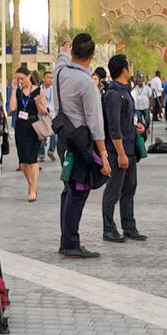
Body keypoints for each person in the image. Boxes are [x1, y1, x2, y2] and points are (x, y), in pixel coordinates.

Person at [54, 33, 112, 258]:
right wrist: (104, 157)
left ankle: (66, 241)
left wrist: (64, 46)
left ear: (73, 52)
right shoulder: (86, 83)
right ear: (92, 55)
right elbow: (95, 124)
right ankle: (71, 243)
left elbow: (61, 56)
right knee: (78, 191)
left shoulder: (60, 71)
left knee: (68, 189)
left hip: (63, 138)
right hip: (80, 142)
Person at [101, 54, 147, 243]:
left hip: (129, 148)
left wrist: (137, 127)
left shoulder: (125, 91)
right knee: (113, 190)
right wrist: (120, 153)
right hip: (117, 151)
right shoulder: (113, 94)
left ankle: (129, 226)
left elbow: (125, 120)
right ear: (123, 70)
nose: (130, 70)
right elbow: (113, 127)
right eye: (128, 66)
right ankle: (109, 229)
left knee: (129, 188)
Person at [9, 66, 48, 202]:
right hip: (21, 126)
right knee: (23, 162)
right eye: (18, 79)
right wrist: (13, 90)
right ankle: (31, 184)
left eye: (22, 78)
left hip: (33, 126)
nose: (20, 81)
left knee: (32, 159)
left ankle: (33, 188)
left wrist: (38, 103)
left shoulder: (38, 91)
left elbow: (43, 112)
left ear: (29, 76)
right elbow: (12, 108)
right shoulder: (17, 91)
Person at [38, 70, 58, 162]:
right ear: (43, 78)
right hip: (41, 115)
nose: (50, 80)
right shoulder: (38, 90)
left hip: (53, 115)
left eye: (51, 78)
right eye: (48, 77)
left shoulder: (55, 90)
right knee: (41, 136)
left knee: (54, 135)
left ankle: (51, 151)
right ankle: (41, 154)